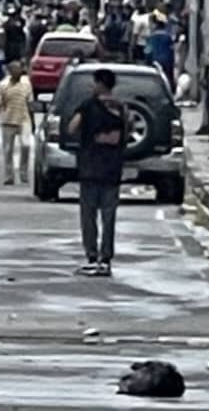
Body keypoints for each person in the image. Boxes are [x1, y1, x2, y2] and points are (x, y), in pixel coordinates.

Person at [67, 68, 126, 277]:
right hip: (112, 170)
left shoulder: (88, 106)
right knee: (109, 216)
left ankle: (92, 256)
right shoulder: (120, 108)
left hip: (90, 168)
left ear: (100, 84)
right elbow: (118, 138)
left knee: (88, 216)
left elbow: (72, 128)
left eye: (94, 83)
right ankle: (106, 258)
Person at [0, 60, 35, 185]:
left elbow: (30, 103)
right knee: (8, 150)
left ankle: (23, 173)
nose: (17, 72)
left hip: (24, 119)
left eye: (18, 69)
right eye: (14, 70)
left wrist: (33, 120)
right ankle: (9, 176)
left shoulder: (26, 83)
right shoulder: (3, 85)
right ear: (10, 72)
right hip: (8, 120)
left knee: (26, 146)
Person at [145, 16, 175, 90]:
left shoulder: (151, 37)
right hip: (167, 61)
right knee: (168, 79)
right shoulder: (168, 37)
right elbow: (171, 50)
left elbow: (148, 51)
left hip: (155, 60)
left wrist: (147, 62)